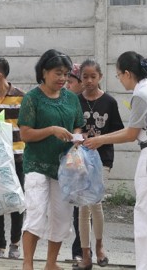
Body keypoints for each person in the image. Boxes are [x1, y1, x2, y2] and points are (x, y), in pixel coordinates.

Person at [84, 51, 147, 270]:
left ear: (127, 73)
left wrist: (98, 140)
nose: (119, 79)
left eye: (119, 75)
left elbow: (130, 133)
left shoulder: (141, 95)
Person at [18, 49, 84, 270]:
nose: (63, 79)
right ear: (44, 72)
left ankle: (51, 263)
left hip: (64, 167)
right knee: (35, 213)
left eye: (66, 74)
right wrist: (51, 130)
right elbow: (25, 134)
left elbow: (78, 124)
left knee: (62, 216)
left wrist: (76, 138)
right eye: (58, 73)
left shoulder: (72, 98)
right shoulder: (32, 98)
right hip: (36, 164)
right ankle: (28, 264)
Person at [73, 59, 124, 270]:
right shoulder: (75, 101)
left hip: (102, 159)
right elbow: (73, 127)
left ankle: (100, 246)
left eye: (93, 77)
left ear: (100, 77)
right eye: (85, 77)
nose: (89, 81)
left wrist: (99, 140)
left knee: (96, 202)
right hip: (81, 160)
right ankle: (86, 254)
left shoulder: (110, 102)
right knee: (83, 207)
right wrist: (79, 136)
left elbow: (118, 131)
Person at [0, 57, 26, 259]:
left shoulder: (21, 97)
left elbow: (26, 127)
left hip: (18, 157)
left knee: (16, 202)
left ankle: (15, 245)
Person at [65, 63, 85, 263]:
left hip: (95, 161)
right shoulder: (68, 102)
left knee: (89, 208)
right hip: (72, 161)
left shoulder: (104, 101)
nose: (67, 85)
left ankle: (86, 250)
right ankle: (78, 251)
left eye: (70, 81)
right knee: (76, 208)